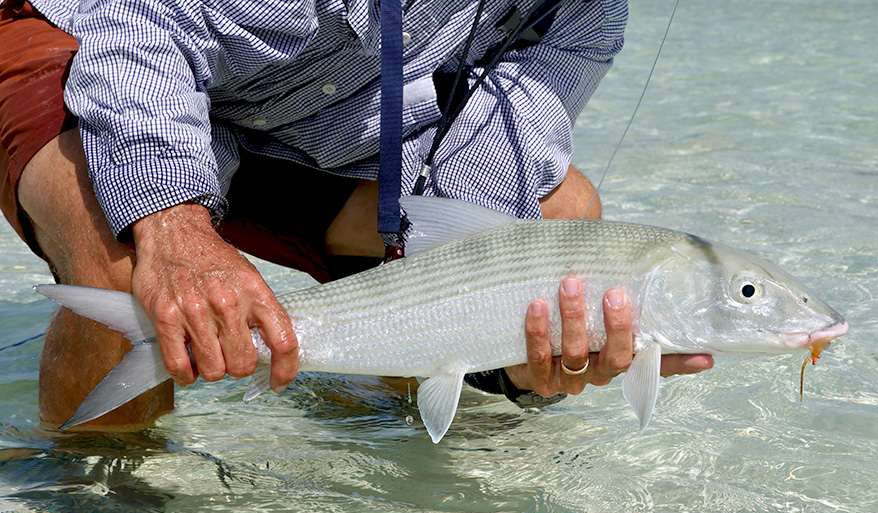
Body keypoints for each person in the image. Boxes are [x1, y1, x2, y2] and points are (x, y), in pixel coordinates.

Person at [0, 0, 713, 430]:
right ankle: (93, 491)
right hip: (98, 42)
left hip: (315, 123)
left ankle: (365, 428)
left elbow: (486, 186)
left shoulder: (587, 14)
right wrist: (170, 221)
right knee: (127, 262)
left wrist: (506, 366)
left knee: (561, 215)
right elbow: (138, 32)